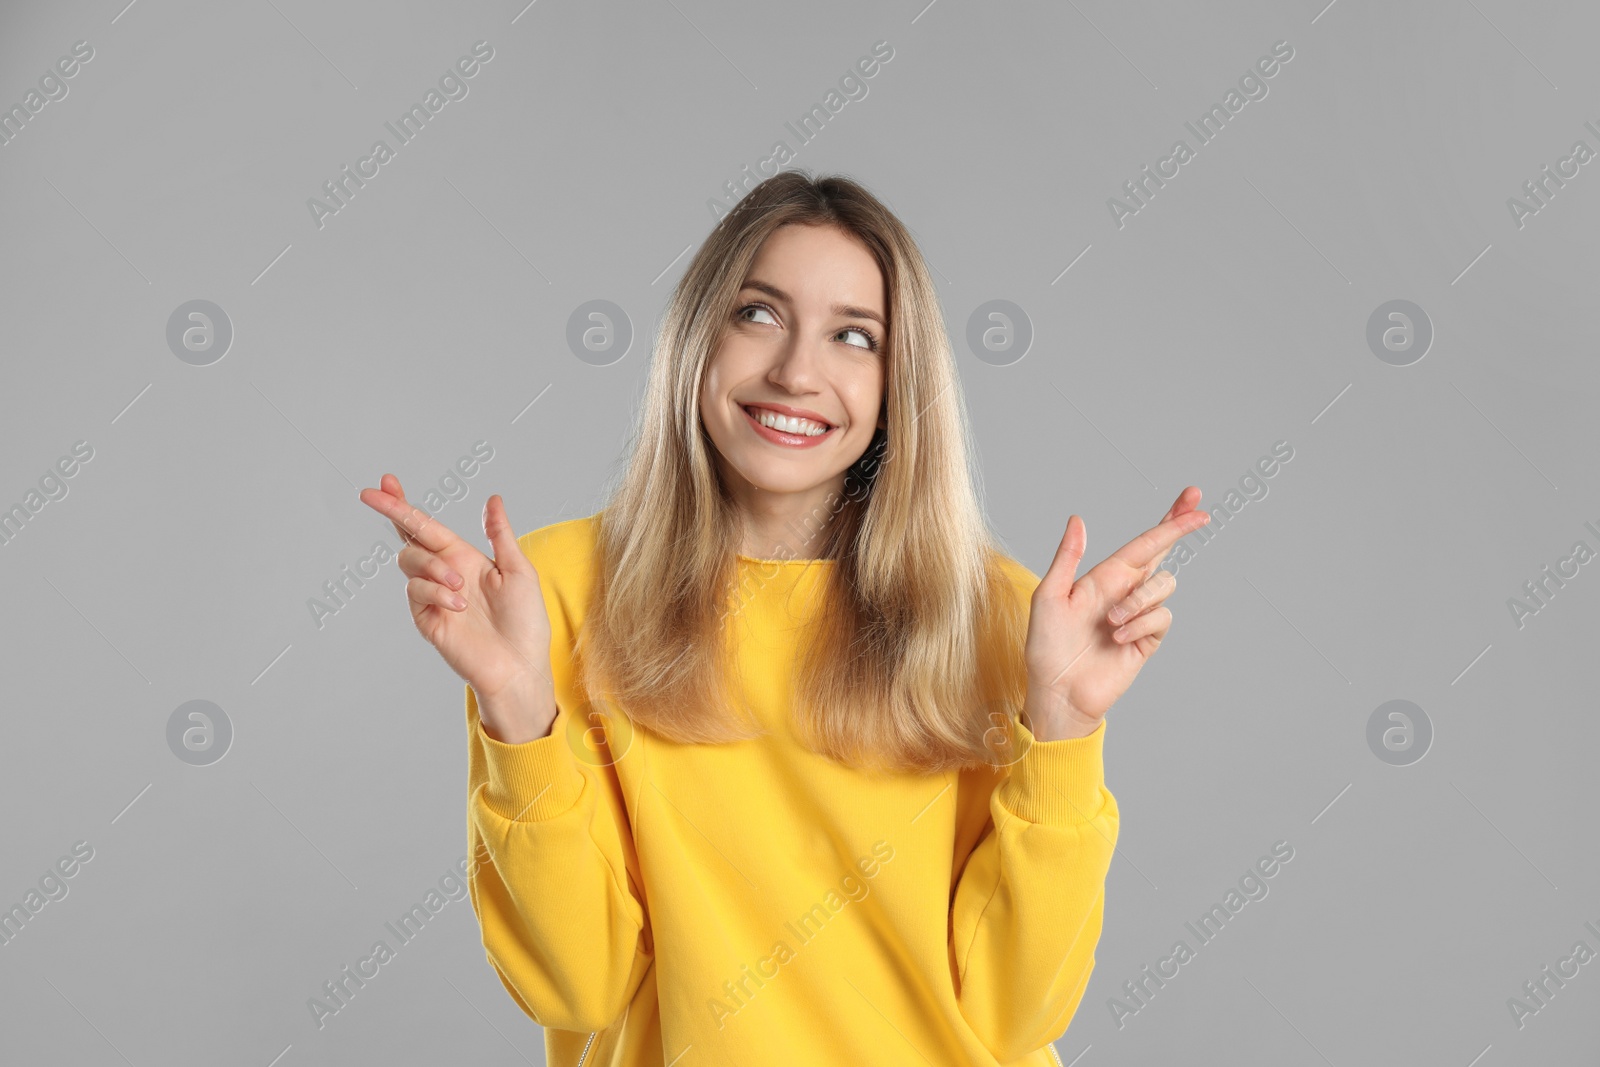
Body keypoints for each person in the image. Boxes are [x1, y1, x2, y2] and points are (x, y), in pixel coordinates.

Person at [359, 171, 1209, 1066]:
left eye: (854, 336)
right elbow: (578, 986)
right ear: (697, 336)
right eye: (757, 314)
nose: (797, 372)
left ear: (897, 382)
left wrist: (1065, 731)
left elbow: (1013, 1016)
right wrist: (518, 703)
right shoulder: (552, 594)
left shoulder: (1003, 618)